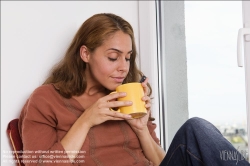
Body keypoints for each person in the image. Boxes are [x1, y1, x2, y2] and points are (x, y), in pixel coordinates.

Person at [18, 13, 250, 166]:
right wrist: (86, 120)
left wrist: (140, 128)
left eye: (128, 58)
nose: (123, 67)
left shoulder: (127, 96)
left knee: (196, 128)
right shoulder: (47, 99)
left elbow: (161, 161)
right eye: (113, 57)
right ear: (85, 54)